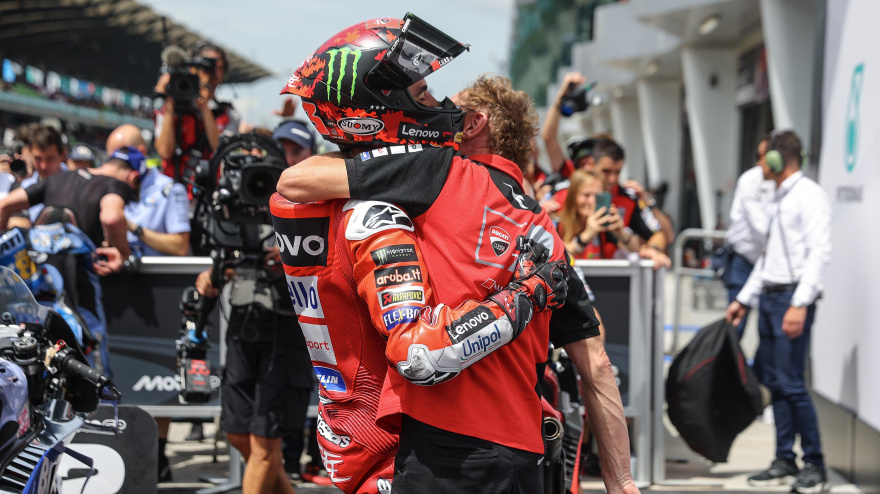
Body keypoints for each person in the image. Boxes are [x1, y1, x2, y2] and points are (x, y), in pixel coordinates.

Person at [276, 20, 638, 493]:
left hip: (441, 448)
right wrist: (622, 481)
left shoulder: (435, 171)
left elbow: (294, 181)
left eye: (444, 100)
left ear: (473, 124)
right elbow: (598, 363)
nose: (437, 106)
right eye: (425, 93)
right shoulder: (543, 226)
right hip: (525, 453)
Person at [726, 130, 831, 491]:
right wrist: (744, 299)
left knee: (792, 384)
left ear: (776, 160)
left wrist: (799, 304)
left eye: (762, 158)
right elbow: (768, 258)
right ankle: (784, 459)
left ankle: (815, 464)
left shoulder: (809, 195)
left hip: (790, 300)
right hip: (771, 299)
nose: (759, 165)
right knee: (776, 384)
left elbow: (819, 254)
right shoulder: (779, 196)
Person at [0, 146, 145, 375]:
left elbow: (4, 205)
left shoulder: (59, 178)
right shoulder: (114, 185)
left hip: (38, 288)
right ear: (133, 177)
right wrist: (123, 254)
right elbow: (112, 216)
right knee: (91, 365)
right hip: (79, 286)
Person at [154, 41, 240, 182]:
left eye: (220, 67)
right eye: (207, 66)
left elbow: (218, 150)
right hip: (172, 187)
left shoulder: (228, 113)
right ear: (193, 68)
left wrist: (205, 109)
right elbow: (165, 151)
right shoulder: (172, 106)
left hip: (207, 189)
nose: (213, 73)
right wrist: (169, 102)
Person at [106, 124, 191, 257]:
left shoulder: (171, 190)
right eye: (111, 159)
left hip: (156, 269)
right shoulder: (110, 187)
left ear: (141, 152)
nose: (115, 166)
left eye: (120, 156)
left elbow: (180, 246)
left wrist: (132, 227)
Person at [592, 138, 671, 269]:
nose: (612, 179)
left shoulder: (628, 199)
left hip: (614, 272)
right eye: (606, 171)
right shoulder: (573, 193)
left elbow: (661, 235)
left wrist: (652, 250)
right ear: (592, 164)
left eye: (617, 172)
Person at [723, 137, 774, 338]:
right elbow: (763, 227)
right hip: (744, 261)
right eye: (757, 156)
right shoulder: (750, 180)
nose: (759, 162)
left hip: (770, 263)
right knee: (736, 326)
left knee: (769, 329)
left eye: (764, 156)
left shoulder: (787, 185)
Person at [558, 169, 640, 259]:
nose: (592, 201)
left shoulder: (603, 222)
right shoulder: (557, 222)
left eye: (598, 196)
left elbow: (635, 249)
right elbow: (556, 254)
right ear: (573, 196)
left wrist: (621, 233)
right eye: (586, 195)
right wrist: (586, 236)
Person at [17, 125, 69, 225]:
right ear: (30, 153)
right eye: (38, 158)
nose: (43, 166)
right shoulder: (25, 186)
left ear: (62, 154)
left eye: (50, 158)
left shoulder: (77, 184)